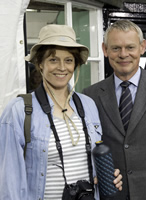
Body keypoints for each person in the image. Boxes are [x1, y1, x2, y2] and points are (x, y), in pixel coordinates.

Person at [0, 24, 123, 200]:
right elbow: (8, 183)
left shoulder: (88, 105)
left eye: (68, 60)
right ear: (40, 64)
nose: (62, 67)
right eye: (53, 60)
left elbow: (92, 161)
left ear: (75, 64)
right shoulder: (18, 111)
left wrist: (106, 176)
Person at [83, 19, 146, 200]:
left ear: (142, 47)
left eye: (130, 47)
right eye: (115, 48)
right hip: (112, 196)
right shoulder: (90, 95)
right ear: (105, 50)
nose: (123, 54)